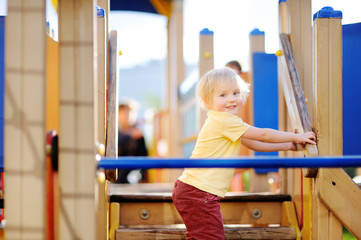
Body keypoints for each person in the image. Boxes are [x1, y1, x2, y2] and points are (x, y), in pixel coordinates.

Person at [172, 67, 316, 239]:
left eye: (236, 93)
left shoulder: (224, 122)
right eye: (223, 95)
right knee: (212, 236)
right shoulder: (224, 121)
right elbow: (263, 135)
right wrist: (297, 136)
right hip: (198, 192)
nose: (231, 99)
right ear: (207, 101)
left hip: (193, 190)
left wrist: (290, 145)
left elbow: (255, 144)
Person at [117, 102, 148, 183]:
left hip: (132, 174)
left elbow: (144, 155)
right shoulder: (114, 133)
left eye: (131, 113)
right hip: (115, 171)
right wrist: (129, 135)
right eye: (124, 113)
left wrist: (143, 177)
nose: (128, 116)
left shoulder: (138, 134)